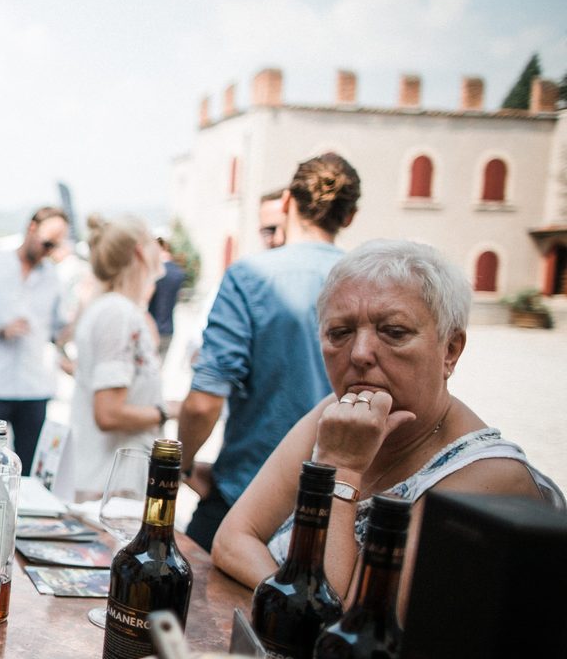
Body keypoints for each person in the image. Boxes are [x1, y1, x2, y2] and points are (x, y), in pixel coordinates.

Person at [212, 240, 564, 612]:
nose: (360, 353)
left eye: (394, 332)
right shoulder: (335, 413)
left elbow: (346, 617)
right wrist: (292, 603)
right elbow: (232, 539)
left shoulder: (490, 478)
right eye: (340, 332)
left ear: (450, 350)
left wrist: (343, 468)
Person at [178, 153, 362, 551]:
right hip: (333, 501)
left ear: (287, 202)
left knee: (185, 590)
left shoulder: (250, 276)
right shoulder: (368, 281)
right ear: (350, 217)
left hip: (245, 493)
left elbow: (204, 402)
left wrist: (185, 465)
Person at [67, 215, 174, 500]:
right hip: (110, 487)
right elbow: (108, 413)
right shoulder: (117, 313)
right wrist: (167, 411)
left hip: (111, 483)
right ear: (140, 251)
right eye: (154, 241)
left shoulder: (115, 309)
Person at [0, 206, 70, 470]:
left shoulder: (53, 277)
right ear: (32, 228)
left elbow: (58, 331)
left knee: (29, 469)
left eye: (55, 246)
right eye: (47, 243)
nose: (49, 251)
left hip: (35, 386)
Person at [146, 236, 186, 359]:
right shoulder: (179, 273)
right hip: (169, 329)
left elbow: (145, 300)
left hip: (151, 329)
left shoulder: (156, 272)